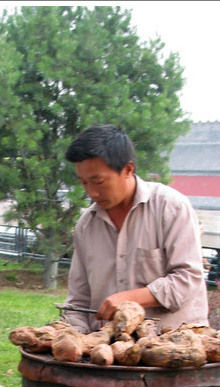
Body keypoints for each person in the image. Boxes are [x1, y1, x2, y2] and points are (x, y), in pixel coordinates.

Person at [62, 124, 208, 333]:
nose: (91, 192)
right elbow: (78, 299)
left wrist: (131, 298)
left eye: (99, 181)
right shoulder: (86, 225)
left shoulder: (171, 208)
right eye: (84, 183)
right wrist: (73, 336)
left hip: (172, 347)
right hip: (107, 354)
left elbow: (188, 279)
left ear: (128, 170)